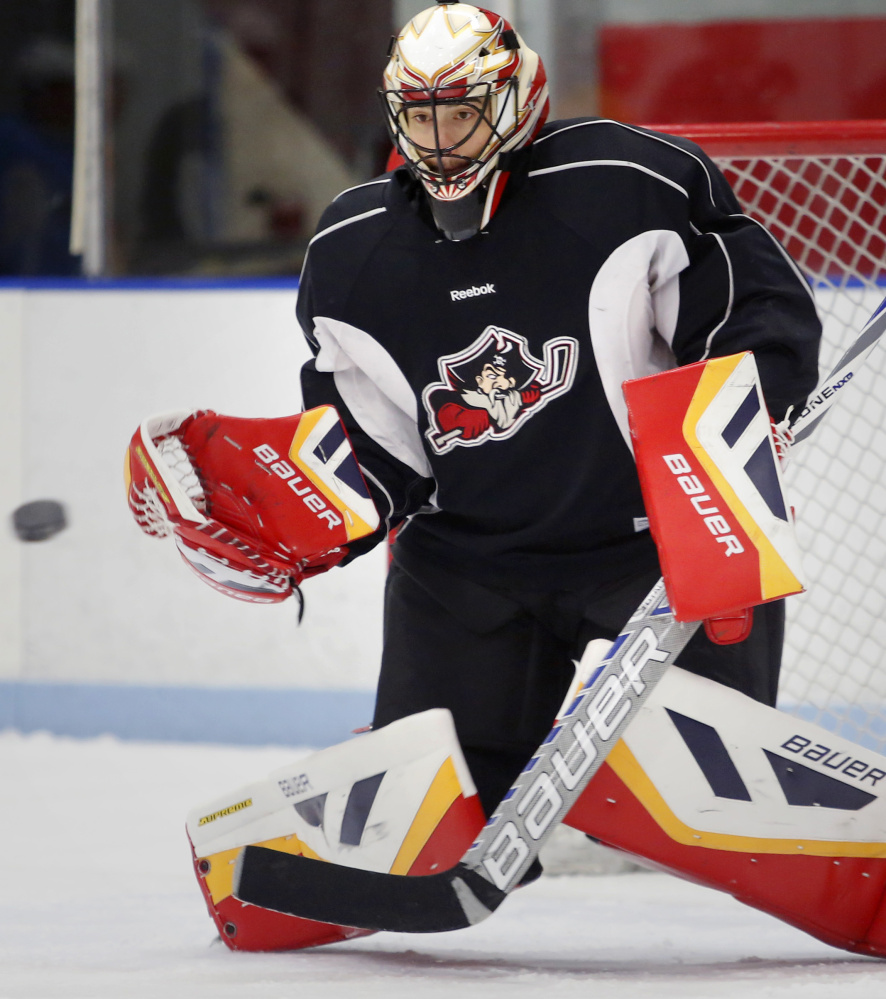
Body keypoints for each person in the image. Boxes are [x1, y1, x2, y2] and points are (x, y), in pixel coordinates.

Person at [295, 2, 822, 818]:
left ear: (510, 103)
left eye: (462, 115)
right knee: (432, 813)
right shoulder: (350, 252)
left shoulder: (626, 183)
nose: (439, 142)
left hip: (658, 540)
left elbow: (751, 314)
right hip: (472, 563)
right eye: (422, 118)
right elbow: (375, 445)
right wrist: (308, 520)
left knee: (719, 788)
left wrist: (747, 415)